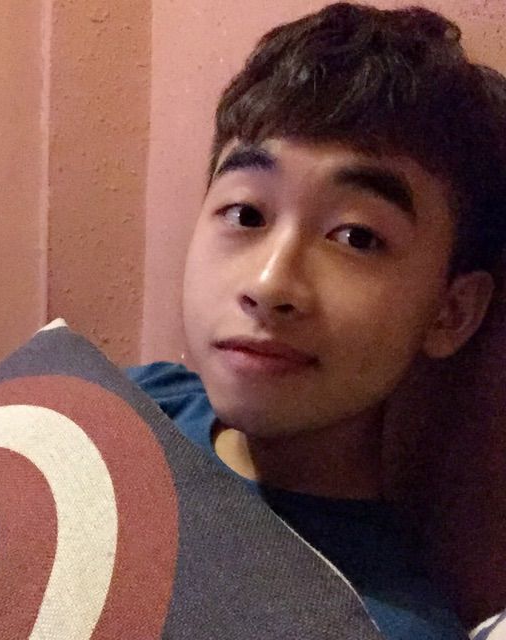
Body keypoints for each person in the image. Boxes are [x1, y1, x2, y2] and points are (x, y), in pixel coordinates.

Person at [127, 3, 506, 639]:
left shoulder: (374, 623)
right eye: (246, 215)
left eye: (357, 237)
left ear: (452, 312)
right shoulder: (122, 403)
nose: (269, 285)